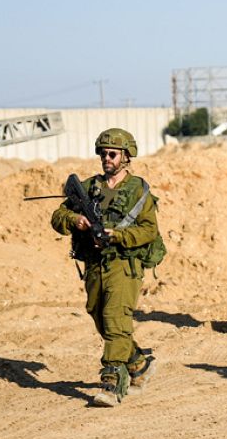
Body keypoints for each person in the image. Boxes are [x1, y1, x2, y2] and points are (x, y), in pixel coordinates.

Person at [51, 128, 163, 407]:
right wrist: (76, 220)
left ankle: (112, 383)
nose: (106, 158)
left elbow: (149, 230)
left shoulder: (139, 190)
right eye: (102, 153)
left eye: (112, 153)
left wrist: (118, 235)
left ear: (126, 156)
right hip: (94, 264)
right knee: (98, 314)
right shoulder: (90, 187)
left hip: (125, 264)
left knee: (115, 317)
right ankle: (138, 363)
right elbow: (58, 215)